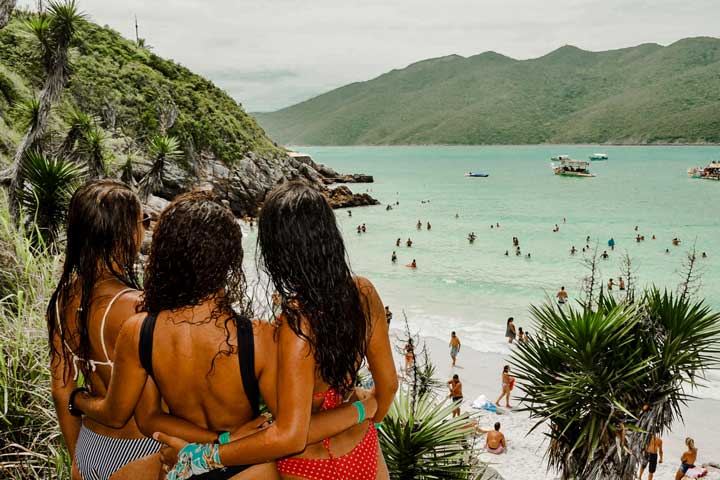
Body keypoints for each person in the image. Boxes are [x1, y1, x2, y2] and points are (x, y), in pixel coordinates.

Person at [74, 191, 376, 479]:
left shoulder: (139, 330)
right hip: (247, 468)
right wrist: (362, 408)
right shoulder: (257, 337)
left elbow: (149, 419)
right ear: (231, 261)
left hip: (183, 462)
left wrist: (211, 444)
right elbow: (289, 430)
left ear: (166, 254)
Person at [157, 182, 398, 479]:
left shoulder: (295, 324)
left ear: (278, 251)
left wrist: (206, 456)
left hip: (311, 465)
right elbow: (387, 386)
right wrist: (365, 409)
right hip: (363, 450)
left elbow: (292, 435)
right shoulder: (363, 292)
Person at [47, 180, 161, 480]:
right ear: (124, 233)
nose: (145, 229)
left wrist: (79, 459)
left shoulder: (64, 298)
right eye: (143, 221)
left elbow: (62, 388)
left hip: (90, 445)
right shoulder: (136, 306)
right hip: (140, 449)